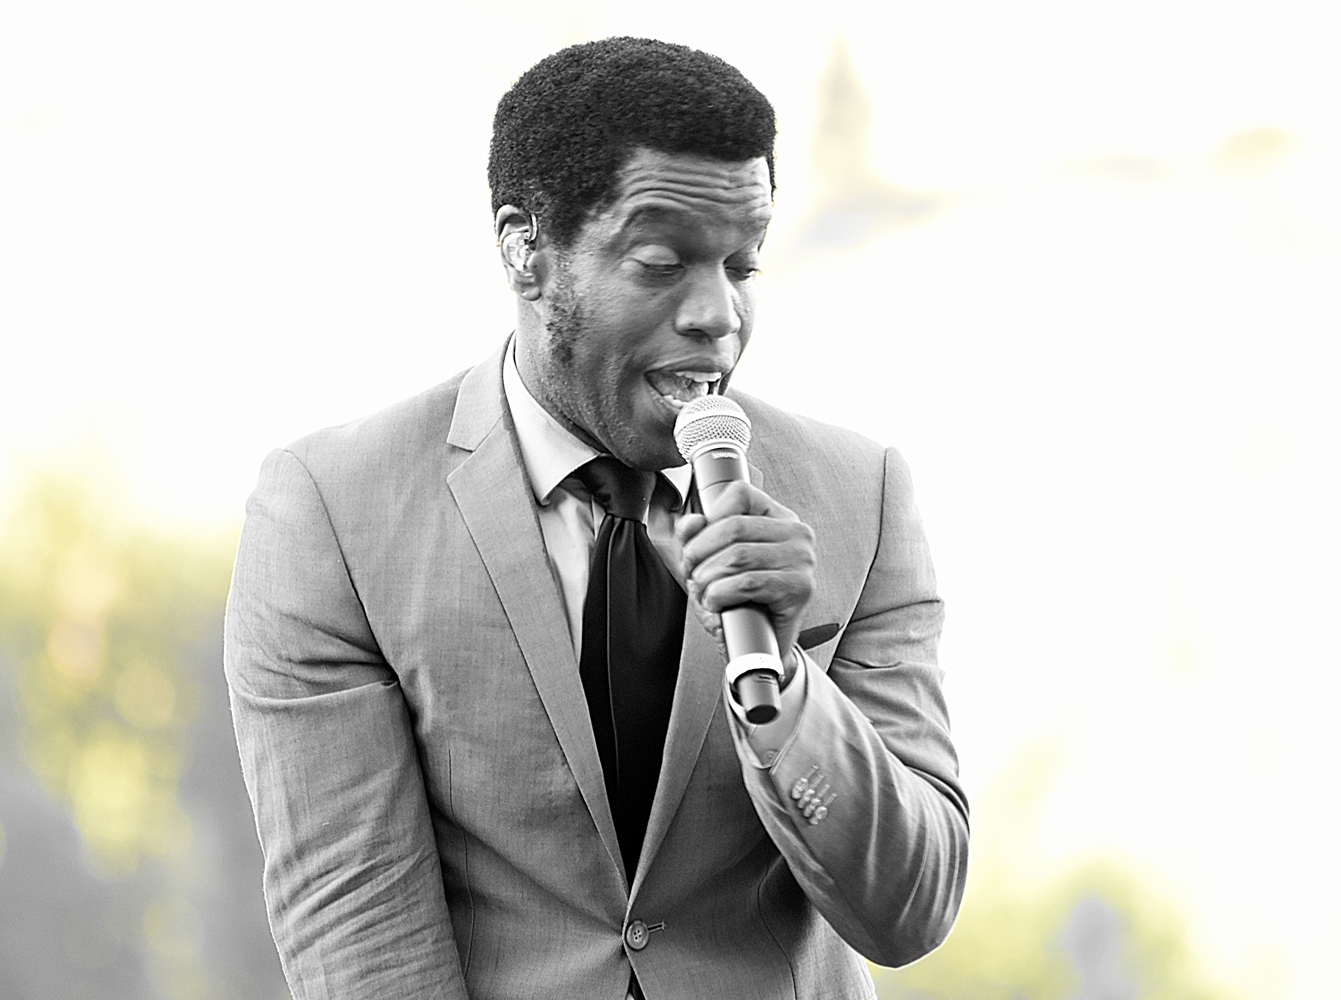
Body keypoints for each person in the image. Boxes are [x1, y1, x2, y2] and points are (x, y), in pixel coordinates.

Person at [224, 37, 968, 1000]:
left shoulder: (860, 494)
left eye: (743, 265)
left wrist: (786, 683)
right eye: (662, 263)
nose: (719, 316)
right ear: (525, 251)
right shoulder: (330, 514)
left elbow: (911, 911)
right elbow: (363, 940)